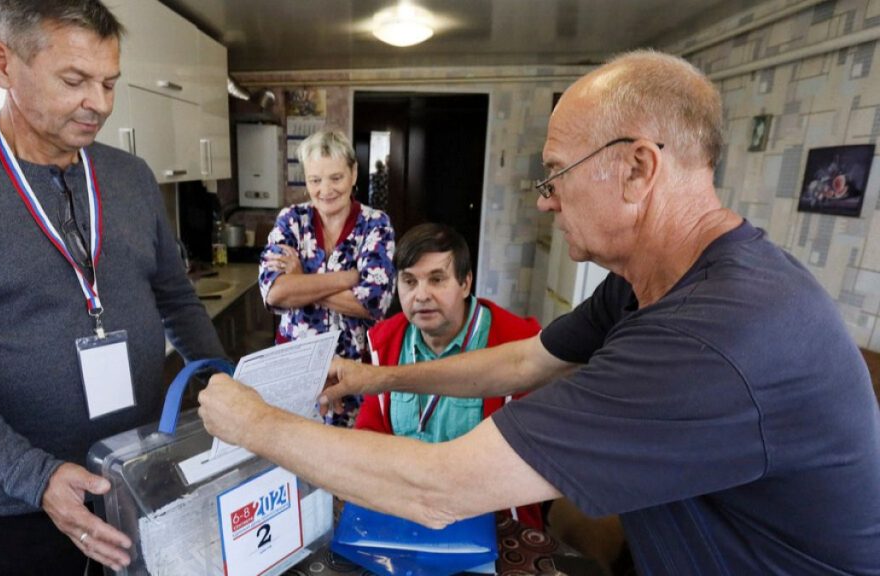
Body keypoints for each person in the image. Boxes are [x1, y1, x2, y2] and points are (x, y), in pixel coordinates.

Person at [198, 49, 880, 575]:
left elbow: (439, 489)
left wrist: (255, 423)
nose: (545, 199)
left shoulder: (716, 336)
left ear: (638, 169)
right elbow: (526, 359)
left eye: (555, 173)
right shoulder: (655, 281)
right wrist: (375, 377)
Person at [0, 1, 227, 574]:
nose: (101, 104)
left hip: (147, 478)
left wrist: (218, 380)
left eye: (109, 82)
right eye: (74, 81)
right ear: (2, 63)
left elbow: (176, 297)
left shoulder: (130, 176)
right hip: (23, 511)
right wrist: (33, 476)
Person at [354, 222, 546, 528]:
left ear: (466, 283)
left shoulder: (518, 345)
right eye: (409, 281)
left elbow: (535, 460)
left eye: (437, 279)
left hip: (491, 523)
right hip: (405, 515)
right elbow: (369, 437)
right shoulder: (385, 344)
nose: (421, 295)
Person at [259, 129, 395, 424]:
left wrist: (302, 280)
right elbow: (275, 293)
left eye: (336, 178)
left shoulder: (376, 224)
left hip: (354, 372)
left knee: (350, 458)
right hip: (296, 369)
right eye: (315, 180)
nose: (326, 190)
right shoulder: (291, 220)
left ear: (353, 173)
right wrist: (348, 278)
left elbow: (373, 303)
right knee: (293, 451)